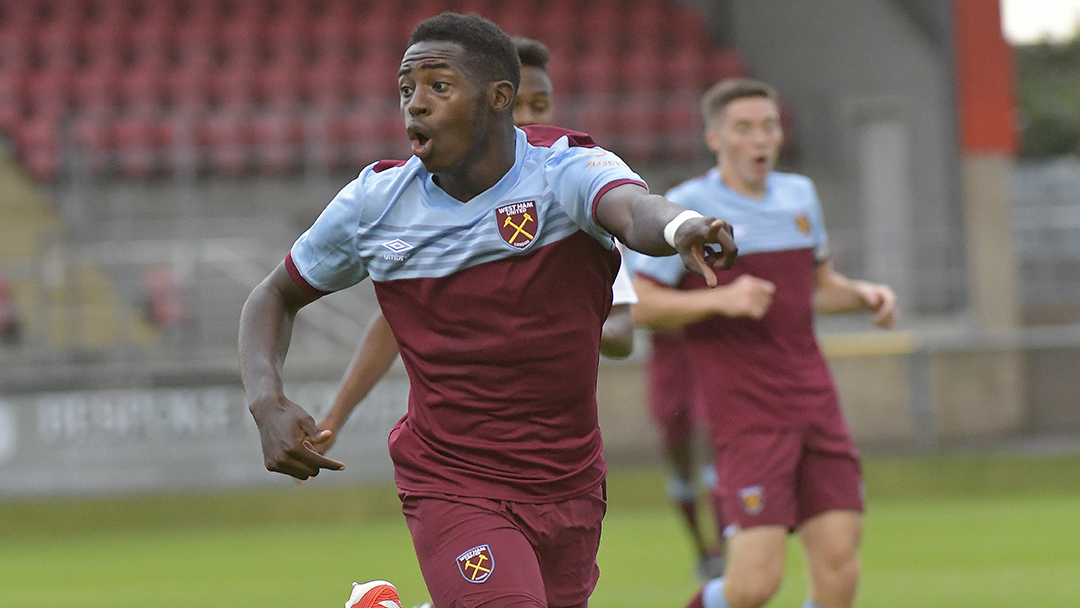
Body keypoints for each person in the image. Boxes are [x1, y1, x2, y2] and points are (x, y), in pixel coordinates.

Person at [237, 12, 737, 608]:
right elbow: (273, 295)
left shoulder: (564, 170)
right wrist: (266, 401)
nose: (414, 105)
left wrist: (681, 226)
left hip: (569, 479)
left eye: (437, 86)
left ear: (500, 98)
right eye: (406, 89)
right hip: (452, 477)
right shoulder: (375, 204)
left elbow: (634, 210)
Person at [627, 77, 897, 608]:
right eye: (744, 129)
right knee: (754, 585)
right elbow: (636, 305)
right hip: (747, 416)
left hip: (816, 403)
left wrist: (863, 294)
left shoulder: (799, 196)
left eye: (768, 126)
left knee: (840, 567)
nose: (760, 139)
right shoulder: (688, 209)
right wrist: (717, 300)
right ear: (715, 139)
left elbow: (819, 290)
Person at [315, 36, 637, 450]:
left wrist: (555, 327)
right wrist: (335, 415)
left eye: (538, 106)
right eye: (517, 104)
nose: (525, 117)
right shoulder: (418, 202)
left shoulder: (577, 199)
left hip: (551, 450)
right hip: (454, 453)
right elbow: (396, 322)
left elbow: (623, 332)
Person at [645, 327, 726, 581]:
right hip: (669, 365)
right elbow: (639, 311)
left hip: (708, 352)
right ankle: (703, 550)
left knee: (710, 444)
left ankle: (722, 550)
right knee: (680, 463)